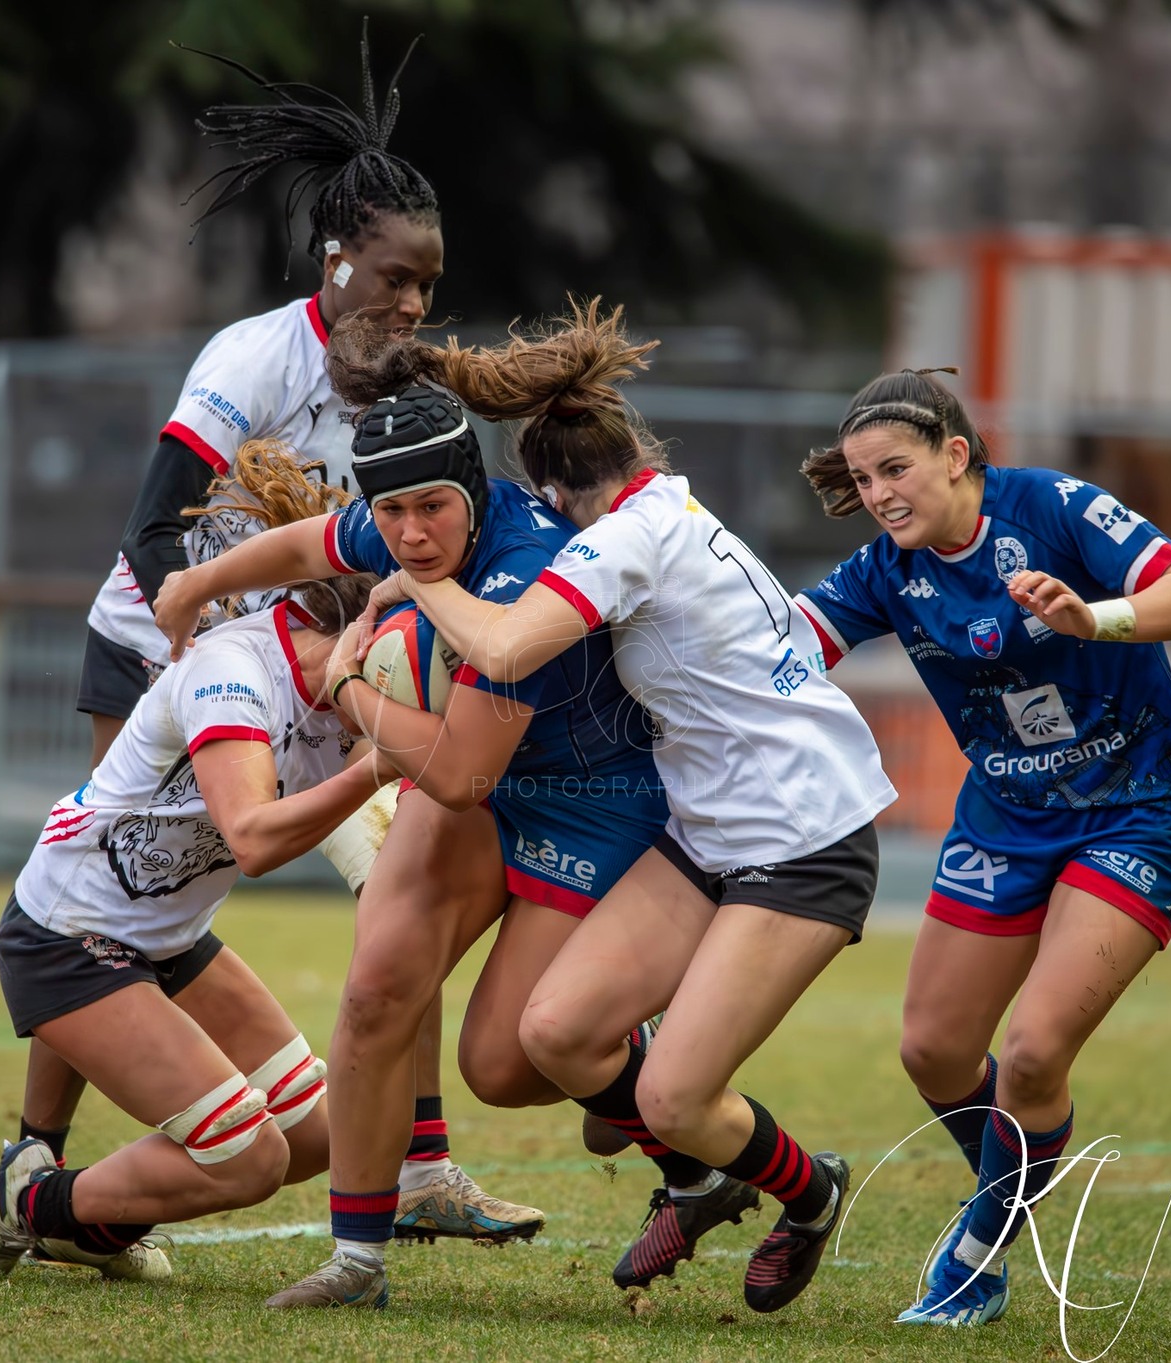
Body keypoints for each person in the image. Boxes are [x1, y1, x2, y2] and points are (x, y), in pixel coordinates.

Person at [20, 32, 522, 1245]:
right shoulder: (251, 357)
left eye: (428, 283)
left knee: (398, 876)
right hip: (160, 651)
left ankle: (415, 1169)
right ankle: (36, 1151)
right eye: (394, 278)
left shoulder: (408, 390)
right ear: (335, 258)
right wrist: (208, 653)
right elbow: (152, 533)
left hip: (305, 668)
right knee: (118, 897)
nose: (412, 303)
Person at [351, 301, 898, 1314]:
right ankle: (697, 1177)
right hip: (709, 833)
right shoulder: (664, 503)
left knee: (672, 1097)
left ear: (559, 495)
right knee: (549, 1033)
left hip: (805, 841)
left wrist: (412, 578)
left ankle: (805, 1191)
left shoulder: (623, 539)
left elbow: (508, 647)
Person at [151, 316, 671, 1308]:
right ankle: (357, 1262)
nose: (411, 535)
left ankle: (649, 1072)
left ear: (472, 491)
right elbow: (312, 539)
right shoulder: (394, 521)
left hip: (587, 801)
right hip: (475, 783)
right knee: (376, 988)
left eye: (432, 508)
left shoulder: (530, 563)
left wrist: (348, 687)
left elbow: (458, 772)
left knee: (503, 1063)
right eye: (391, 515)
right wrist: (197, 581)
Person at [792, 368, 1171, 1326]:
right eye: (862, 479)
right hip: (1007, 817)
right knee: (936, 1049)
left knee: (1030, 1053)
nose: (878, 495)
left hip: (1142, 806)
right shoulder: (885, 570)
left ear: (956, 454)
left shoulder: (1058, 508)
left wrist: (1092, 616)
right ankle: (1020, 1162)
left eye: (894, 469)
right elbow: (778, 649)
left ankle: (977, 1257)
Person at [0, 548, 389, 1285]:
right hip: (70, 935)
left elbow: (381, 844)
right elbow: (253, 838)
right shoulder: (237, 673)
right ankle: (32, 1203)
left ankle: (89, 1229)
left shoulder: (339, 695)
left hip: (168, 937)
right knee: (253, 1158)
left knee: (321, 1136)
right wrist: (377, 767)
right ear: (361, 635)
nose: (407, 697)